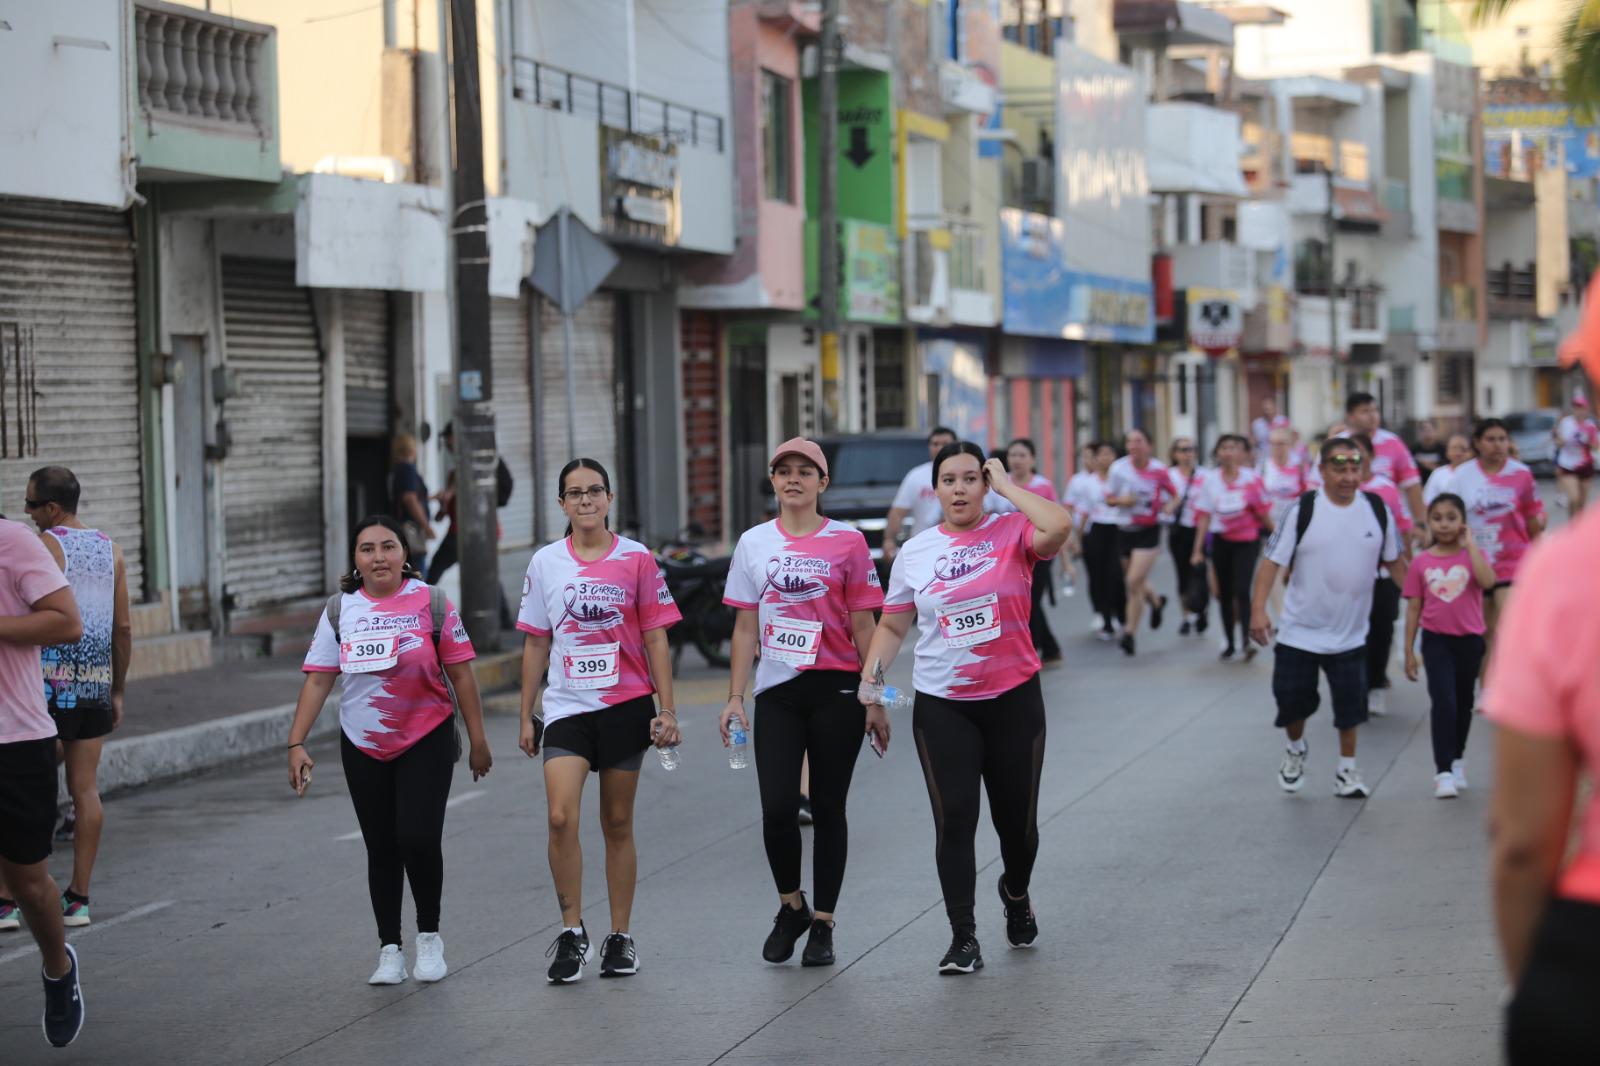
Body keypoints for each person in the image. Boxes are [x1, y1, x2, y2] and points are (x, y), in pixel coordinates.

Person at [858, 443, 1070, 975]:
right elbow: (891, 626)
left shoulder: (1013, 531)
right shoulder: (916, 551)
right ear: (935, 490)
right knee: (954, 819)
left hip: (1014, 699)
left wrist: (1009, 488)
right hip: (944, 705)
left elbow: (1060, 525)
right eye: (948, 480)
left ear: (985, 483)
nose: (959, 488)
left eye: (971, 478)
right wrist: (873, 691)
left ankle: (1015, 892)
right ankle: (963, 936)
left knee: (1017, 827)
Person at [287, 515, 492, 986]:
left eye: (387, 546)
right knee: (380, 848)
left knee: (418, 839)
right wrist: (296, 742)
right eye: (366, 549)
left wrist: (478, 741)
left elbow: (461, 674)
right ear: (355, 561)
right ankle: (389, 949)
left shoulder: (433, 603)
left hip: (427, 736)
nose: (378, 556)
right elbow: (319, 678)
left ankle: (428, 937)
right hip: (363, 744)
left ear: (405, 554)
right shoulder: (340, 611)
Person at [720, 439, 885, 968]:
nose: (794, 479)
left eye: (805, 471)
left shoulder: (849, 542)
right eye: (784, 471)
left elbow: (866, 625)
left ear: (823, 482)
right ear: (773, 481)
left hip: (838, 691)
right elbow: (745, 626)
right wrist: (734, 699)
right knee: (776, 810)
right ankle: (791, 905)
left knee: (830, 809)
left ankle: (824, 924)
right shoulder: (753, 543)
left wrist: (876, 698)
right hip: (779, 694)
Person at [516, 459, 681, 984]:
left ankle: (620, 936)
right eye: (574, 493)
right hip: (566, 708)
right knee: (561, 817)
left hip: (626, 706)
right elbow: (537, 640)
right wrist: (526, 712)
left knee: (616, 822)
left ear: (609, 499)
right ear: (562, 504)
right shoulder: (545, 563)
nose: (585, 501)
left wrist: (667, 709)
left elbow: (656, 635)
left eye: (594, 492)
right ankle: (571, 933)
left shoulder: (637, 559)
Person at [1249, 437, 1405, 799]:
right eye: (1340, 469)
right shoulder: (1302, 510)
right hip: (1299, 632)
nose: (1349, 477)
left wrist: (1425, 602)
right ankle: (1296, 748)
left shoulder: (1377, 510)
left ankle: (1347, 771)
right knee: (1291, 702)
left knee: (1350, 709)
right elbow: (1272, 562)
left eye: (1355, 469)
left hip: (1350, 634)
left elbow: (1397, 564)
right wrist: (1259, 610)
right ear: (1321, 471)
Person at [29, 467, 132, 928]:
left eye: (32, 505)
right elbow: (123, 628)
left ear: (52, 508)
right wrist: (117, 688)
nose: (28, 514)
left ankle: (9, 897)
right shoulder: (113, 550)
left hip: (45, 687)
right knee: (85, 788)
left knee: (27, 785)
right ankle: (79, 898)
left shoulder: (44, 547)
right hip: (92, 684)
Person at [0, 511, 85, 1046]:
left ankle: (58, 969)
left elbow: (66, 621)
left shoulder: (13, 541)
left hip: (14, 740)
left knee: (28, 884)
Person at [1401, 493, 1495, 798]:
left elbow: (1487, 581)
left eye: (1451, 518)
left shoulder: (1472, 555)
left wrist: (1471, 547)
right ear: (1429, 522)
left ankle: (1457, 759)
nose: (1444, 524)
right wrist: (1409, 651)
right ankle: (1442, 770)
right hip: (1435, 641)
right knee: (1444, 702)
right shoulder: (1421, 562)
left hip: (1469, 641)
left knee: (1463, 703)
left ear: (1463, 523)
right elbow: (1414, 608)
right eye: (1438, 518)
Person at [1448, 418, 1546, 653]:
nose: (1498, 445)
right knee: (1484, 634)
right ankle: (1487, 689)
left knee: (1509, 629)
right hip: (1476, 564)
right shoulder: (1462, 476)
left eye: (1502, 439)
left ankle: (1515, 683)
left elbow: (1533, 519)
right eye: (1491, 440)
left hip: (1513, 562)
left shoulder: (1521, 474)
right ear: (1477, 443)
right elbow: (1449, 517)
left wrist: (1541, 561)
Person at [1191, 434, 1273, 662]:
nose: (1228, 452)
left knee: (1241, 590)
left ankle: (1246, 641)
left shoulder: (1252, 479)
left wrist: (1279, 538)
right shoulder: (1210, 480)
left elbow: (1264, 513)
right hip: (1221, 541)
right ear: (1217, 453)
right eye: (1223, 447)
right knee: (1224, 593)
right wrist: (1197, 550)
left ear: (1241, 453)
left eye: (1233, 447)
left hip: (1247, 542)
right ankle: (1228, 640)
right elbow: (1204, 516)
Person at [1348, 433, 1413, 718]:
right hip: (1349, 576)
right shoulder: (1337, 492)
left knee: (1381, 629)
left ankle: (1376, 684)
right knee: (1354, 631)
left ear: (1372, 458)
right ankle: (1356, 685)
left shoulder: (1386, 489)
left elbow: (1403, 528)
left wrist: (1407, 563)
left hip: (1385, 574)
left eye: (1361, 454)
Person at [1105, 428, 1174, 656]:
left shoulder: (1158, 470)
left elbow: (1175, 494)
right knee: (1135, 581)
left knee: (1133, 581)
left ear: (1149, 445)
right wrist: (1121, 501)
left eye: (1138, 441)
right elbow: (1108, 498)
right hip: (1124, 529)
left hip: (1148, 530)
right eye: (1130, 442)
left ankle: (1129, 633)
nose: (1133, 446)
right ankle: (1156, 601)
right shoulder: (1118, 469)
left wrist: (1168, 509)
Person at [1000, 438, 1062, 665]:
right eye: (1012, 455)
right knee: (1021, 600)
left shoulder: (1043, 486)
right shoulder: (1001, 485)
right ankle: (1050, 647)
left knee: (1032, 600)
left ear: (1032, 459)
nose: (1016, 460)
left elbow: (1057, 522)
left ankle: (1032, 651)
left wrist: (1066, 561)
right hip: (1010, 554)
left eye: (1022, 455)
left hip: (1040, 551)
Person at [1344, 392, 1424, 547]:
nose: (1372, 416)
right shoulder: (1337, 445)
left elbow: (1412, 484)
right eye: (1365, 411)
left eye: (1375, 410)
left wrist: (1420, 523)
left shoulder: (1393, 443)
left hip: (1388, 528)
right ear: (1351, 416)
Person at [1067, 442, 1124, 639]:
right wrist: (1077, 539)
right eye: (1102, 454)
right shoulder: (1087, 482)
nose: (1106, 458)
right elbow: (1083, 511)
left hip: (1118, 529)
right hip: (1096, 530)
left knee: (1117, 575)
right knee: (1099, 576)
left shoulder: (1121, 478)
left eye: (1110, 453)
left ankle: (1120, 613)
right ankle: (1106, 619)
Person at [883, 427, 958, 561]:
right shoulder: (916, 476)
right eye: (935, 444)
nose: (940, 448)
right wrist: (889, 540)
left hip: (959, 546)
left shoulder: (969, 476)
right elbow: (898, 513)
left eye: (945, 443)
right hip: (923, 550)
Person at [1165, 438, 1209, 635]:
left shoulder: (1206, 475)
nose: (1187, 454)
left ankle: (1202, 609)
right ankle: (1186, 615)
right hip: (1179, 530)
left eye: (1190, 449)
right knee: (1182, 574)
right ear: (1175, 454)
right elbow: (1161, 503)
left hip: (1202, 529)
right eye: (1182, 450)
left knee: (1200, 573)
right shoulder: (1168, 476)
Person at [388, 433, 434, 575]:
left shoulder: (397, 471)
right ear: (411, 450)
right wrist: (426, 526)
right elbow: (410, 499)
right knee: (418, 578)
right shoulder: (407, 469)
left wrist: (431, 498)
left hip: (403, 530)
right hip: (411, 531)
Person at [1553, 391, 1599, 515]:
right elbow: (1557, 440)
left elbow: (1596, 447)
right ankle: (1572, 525)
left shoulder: (1590, 426)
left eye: (1582, 408)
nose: (1579, 411)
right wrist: (1561, 442)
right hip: (1567, 464)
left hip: (1585, 464)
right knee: (1574, 497)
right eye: (1577, 407)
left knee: (1582, 503)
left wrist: (1588, 441)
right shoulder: (1566, 423)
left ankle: (1577, 528)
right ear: (1573, 409)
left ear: (1586, 409)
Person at [1422, 434, 1472, 506]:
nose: (1458, 453)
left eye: (1463, 449)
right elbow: (1428, 501)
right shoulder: (1437, 474)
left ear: (1470, 452)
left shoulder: (1476, 473)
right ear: (1447, 452)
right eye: (1454, 448)